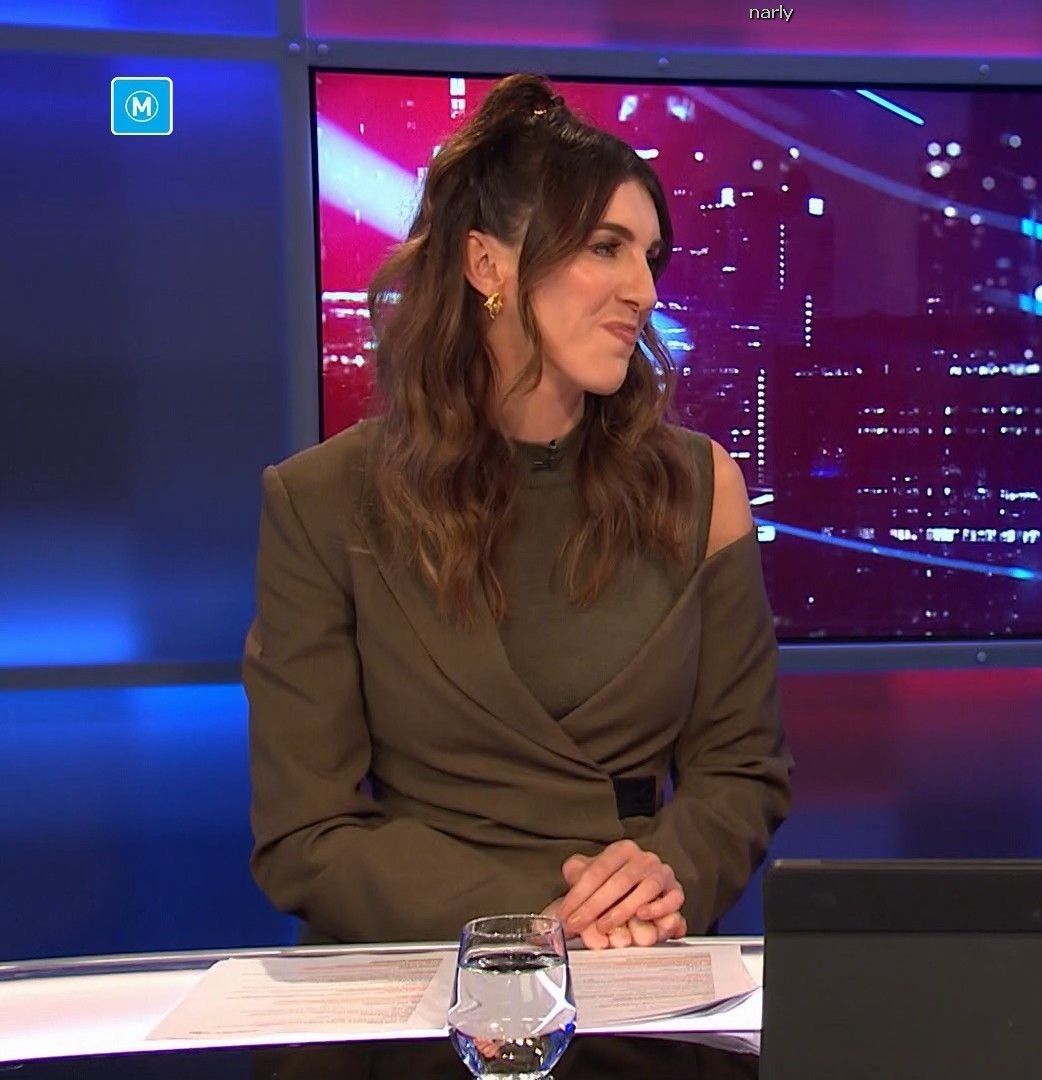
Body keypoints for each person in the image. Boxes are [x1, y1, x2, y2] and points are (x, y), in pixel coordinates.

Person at [245, 74, 791, 948]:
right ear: (486, 264)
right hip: (435, 962)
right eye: (606, 247)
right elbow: (307, 832)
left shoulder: (701, 487)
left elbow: (741, 769)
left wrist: (667, 878)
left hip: (638, 957)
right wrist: (532, 924)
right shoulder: (324, 502)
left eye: (650, 257)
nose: (645, 291)